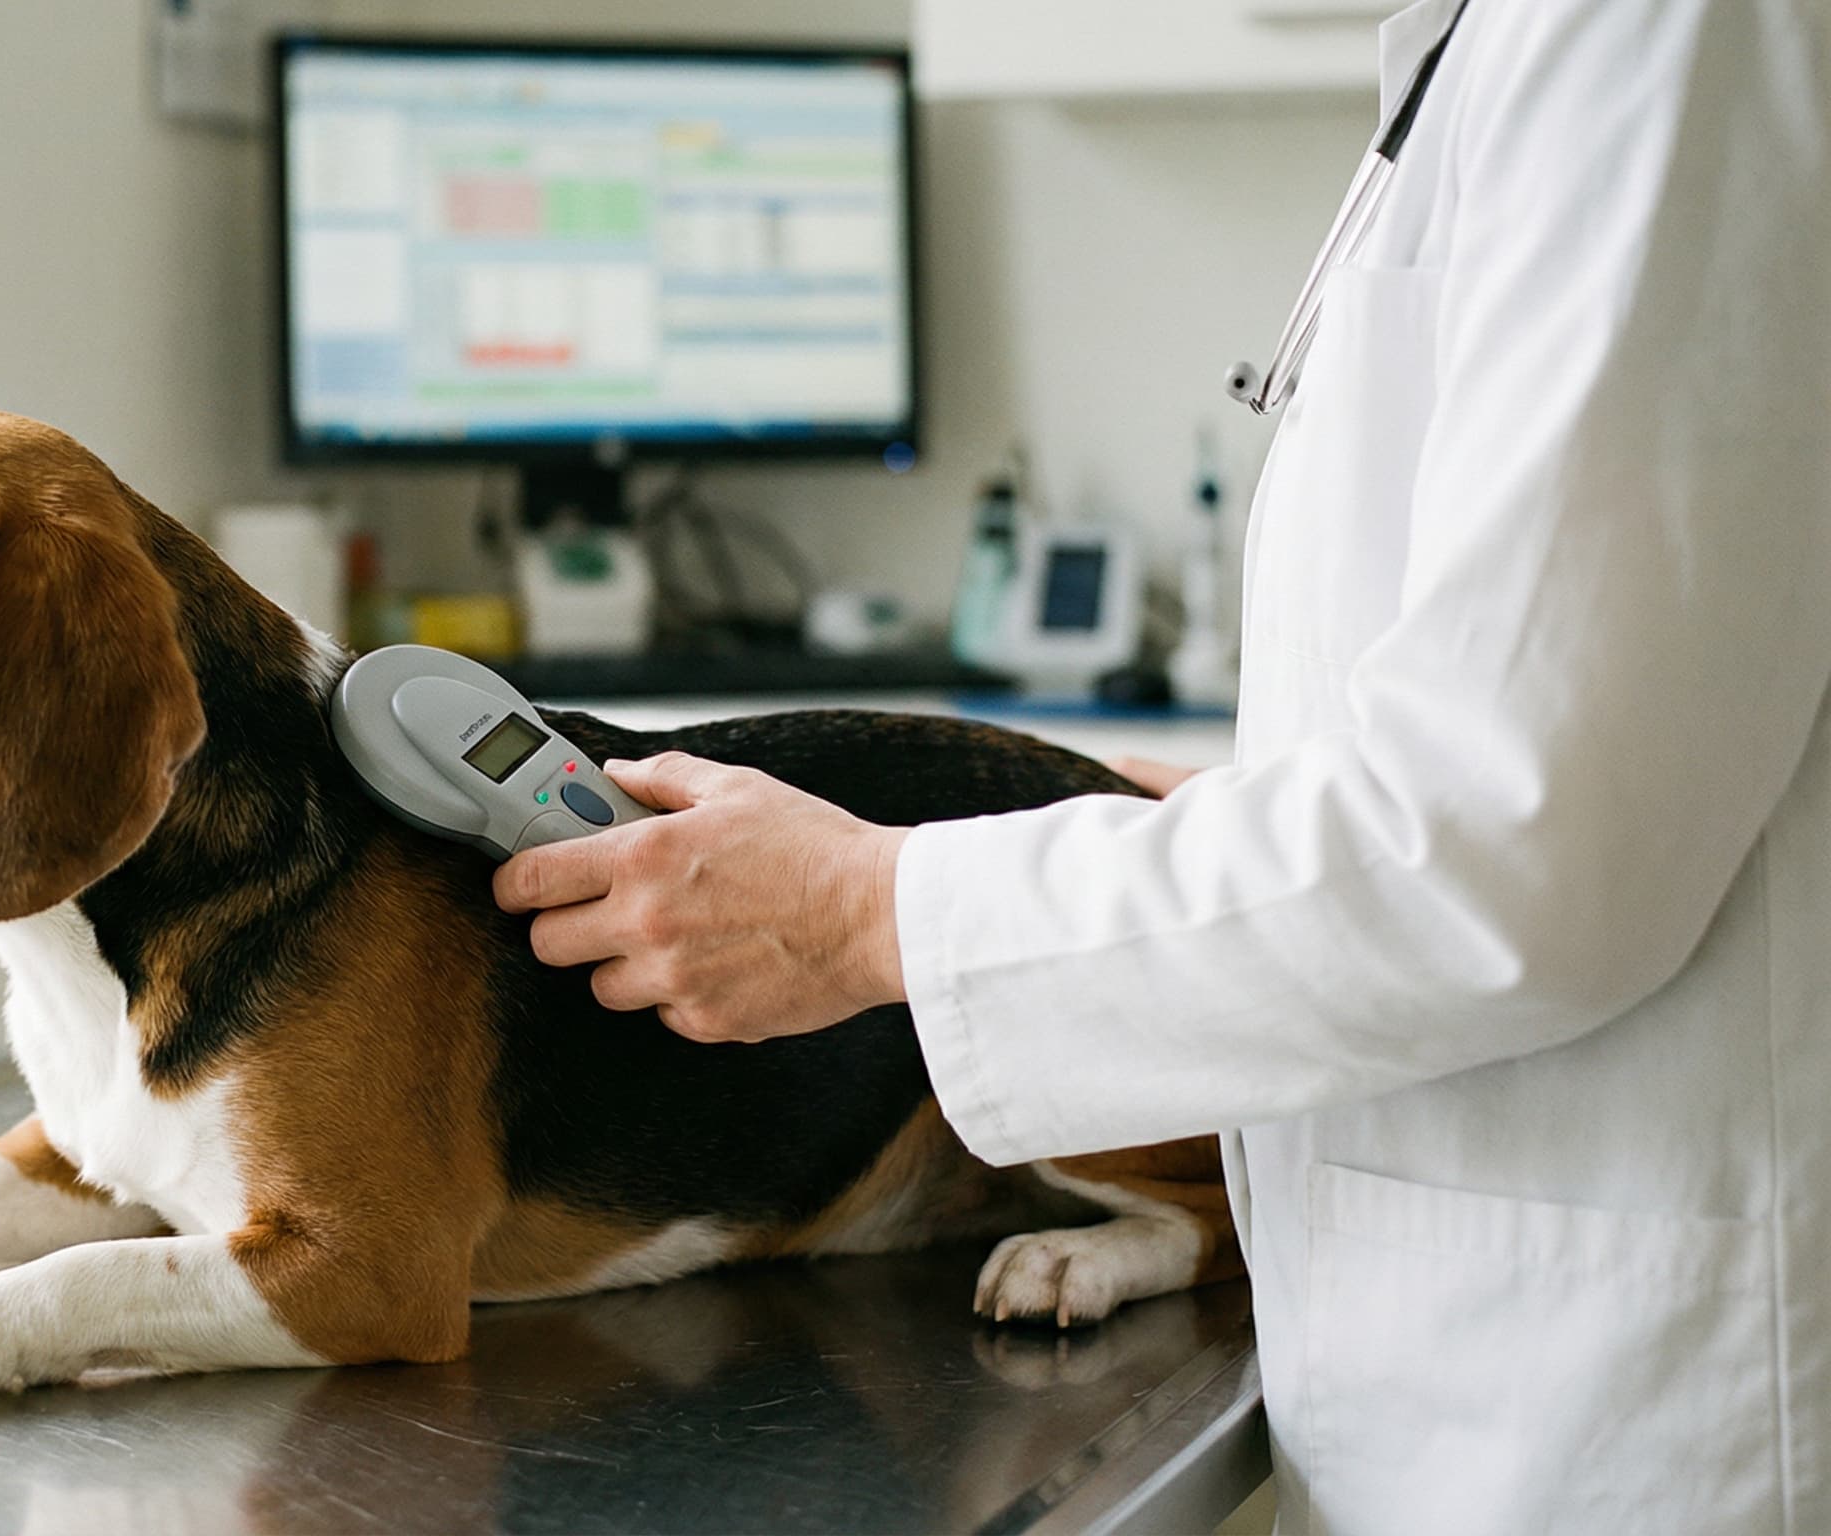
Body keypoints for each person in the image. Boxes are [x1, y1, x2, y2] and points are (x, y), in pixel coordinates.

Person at [493, 1, 1831, 1529]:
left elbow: (1519, 844)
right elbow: (1567, 727)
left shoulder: (1661, 30)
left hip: (1621, 1403)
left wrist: (871, 912)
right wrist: (1228, 822)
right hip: (1472, 1366)